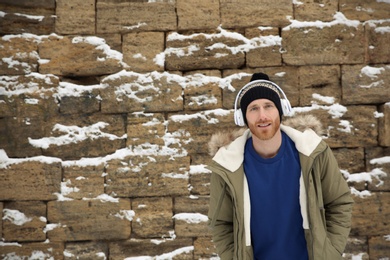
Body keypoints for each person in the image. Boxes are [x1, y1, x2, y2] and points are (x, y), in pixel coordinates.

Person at [207, 72, 353, 260]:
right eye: (253, 109)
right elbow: (221, 223)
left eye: (268, 106)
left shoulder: (312, 152)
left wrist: (330, 252)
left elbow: (339, 202)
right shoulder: (228, 165)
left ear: (280, 110)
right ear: (243, 117)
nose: (262, 115)